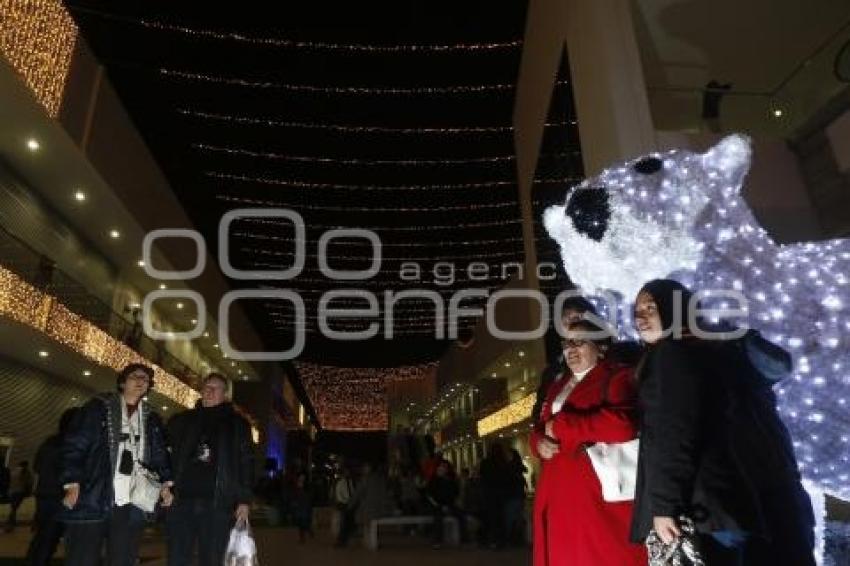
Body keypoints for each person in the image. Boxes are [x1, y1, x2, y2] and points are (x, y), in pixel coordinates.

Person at [630, 279, 815, 565]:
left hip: (726, 501)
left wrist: (665, 504)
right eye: (637, 310)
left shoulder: (682, 353)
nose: (640, 316)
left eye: (650, 307)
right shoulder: (694, 353)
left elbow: (674, 434)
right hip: (733, 503)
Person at [530, 319, 646, 566]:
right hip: (558, 491)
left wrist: (562, 426)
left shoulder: (617, 376)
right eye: (566, 343)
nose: (570, 349)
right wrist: (539, 442)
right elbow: (541, 426)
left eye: (579, 342)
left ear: (600, 347)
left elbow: (622, 424)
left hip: (595, 495)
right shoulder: (558, 384)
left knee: (598, 554)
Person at [60, 363, 173, 566]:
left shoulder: (151, 418)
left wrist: (165, 484)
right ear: (122, 382)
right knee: (82, 556)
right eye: (135, 377)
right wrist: (72, 482)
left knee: (123, 558)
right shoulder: (98, 407)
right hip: (95, 492)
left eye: (145, 379)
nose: (140, 381)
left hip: (132, 499)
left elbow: (159, 455)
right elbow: (75, 445)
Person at [166, 373, 254, 566]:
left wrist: (244, 500)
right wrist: (166, 485)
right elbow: (166, 454)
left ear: (225, 394)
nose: (210, 391)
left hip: (217, 504)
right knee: (177, 557)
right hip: (181, 501)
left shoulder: (238, 425)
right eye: (207, 387)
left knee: (212, 558)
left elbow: (246, 463)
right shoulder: (183, 420)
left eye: (216, 388)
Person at [25, 408, 79, 565]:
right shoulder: (71, 445)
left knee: (43, 538)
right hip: (60, 497)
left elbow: (37, 467)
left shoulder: (49, 443)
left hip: (44, 495)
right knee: (51, 539)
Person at [425, 460, 467, 548]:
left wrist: (451, 503)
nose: (443, 469)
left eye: (445, 467)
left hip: (450, 504)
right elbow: (429, 494)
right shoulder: (434, 479)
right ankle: (437, 541)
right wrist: (438, 505)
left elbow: (456, 492)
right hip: (437, 505)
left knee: (461, 516)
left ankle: (464, 539)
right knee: (438, 518)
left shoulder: (451, 479)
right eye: (441, 467)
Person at [4, 460, 33, 532]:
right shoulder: (26, 472)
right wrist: (29, 491)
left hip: (11, 492)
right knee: (14, 509)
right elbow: (28, 482)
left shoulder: (13, 471)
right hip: (19, 492)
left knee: (13, 508)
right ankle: (10, 524)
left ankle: (11, 524)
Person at [333, 465, 357, 547]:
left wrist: (352, 501)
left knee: (349, 522)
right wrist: (345, 502)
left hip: (350, 504)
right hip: (343, 504)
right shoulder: (340, 483)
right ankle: (341, 540)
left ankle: (345, 538)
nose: (348, 474)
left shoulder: (350, 482)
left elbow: (352, 492)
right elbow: (339, 495)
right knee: (344, 522)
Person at [291, 472, 314, 543]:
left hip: (305, 506)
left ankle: (307, 532)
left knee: (304, 522)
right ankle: (303, 537)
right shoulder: (296, 486)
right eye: (300, 477)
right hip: (299, 506)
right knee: (300, 522)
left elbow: (309, 497)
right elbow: (294, 496)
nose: (301, 479)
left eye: (303, 477)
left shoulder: (307, 487)